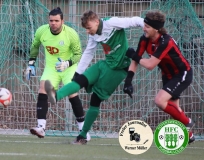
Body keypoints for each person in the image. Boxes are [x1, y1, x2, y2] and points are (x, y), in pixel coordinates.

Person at [44, 10, 144, 144]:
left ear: (97, 22)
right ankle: (55, 96)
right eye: (86, 29)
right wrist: (78, 73)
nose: (88, 31)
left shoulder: (112, 23)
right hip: (106, 64)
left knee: (95, 99)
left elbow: (135, 21)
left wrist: (148, 26)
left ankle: (83, 135)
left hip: (118, 70)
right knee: (80, 80)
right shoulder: (93, 35)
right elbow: (88, 53)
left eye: (89, 28)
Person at [124, 10, 195, 144]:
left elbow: (150, 65)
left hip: (181, 74)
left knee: (159, 101)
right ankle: (189, 135)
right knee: (174, 110)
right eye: (144, 24)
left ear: (156, 29)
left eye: (147, 26)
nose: (144, 28)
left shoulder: (165, 41)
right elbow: (135, 61)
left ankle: (188, 122)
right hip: (167, 75)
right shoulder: (144, 39)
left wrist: (134, 56)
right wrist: (128, 81)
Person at [26, 7, 90, 141]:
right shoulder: (41, 31)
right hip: (51, 68)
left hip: (69, 68)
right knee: (42, 88)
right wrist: (31, 63)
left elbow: (78, 54)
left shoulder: (71, 34)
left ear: (62, 21)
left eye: (56, 20)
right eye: (51, 20)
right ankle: (41, 128)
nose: (53, 23)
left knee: (72, 93)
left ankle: (83, 131)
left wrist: (67, 63)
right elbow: (35, 46)